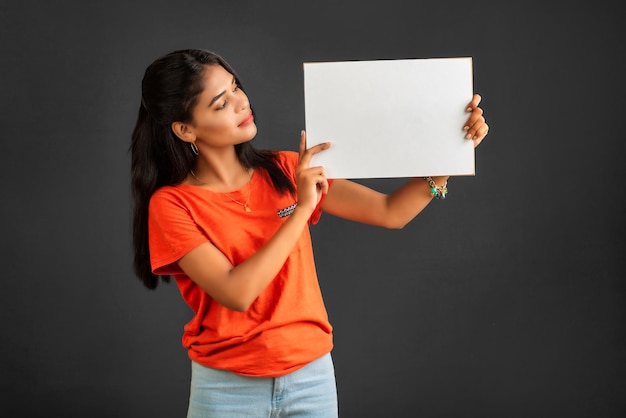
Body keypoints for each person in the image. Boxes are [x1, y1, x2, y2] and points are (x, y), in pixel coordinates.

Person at [130, 48, 489, 417]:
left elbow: (390, 212)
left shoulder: (287, 168)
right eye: (221, 103)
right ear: (185, 128)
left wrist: (452, 151)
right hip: (227, 387)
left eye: (236, 86)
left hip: (311, 378)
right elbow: (237, 292)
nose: (241, 102)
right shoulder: (172, 204)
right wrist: (301, 209)